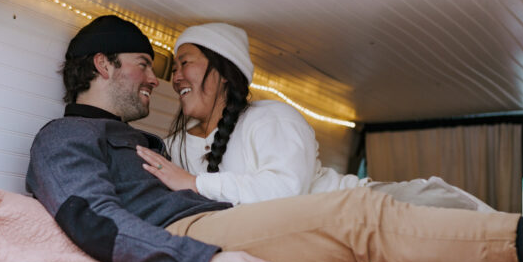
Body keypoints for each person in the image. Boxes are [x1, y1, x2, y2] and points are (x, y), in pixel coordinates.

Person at [26, 15, 523, 262]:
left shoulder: (147, 139)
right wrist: (199, 261)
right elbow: (92, 219)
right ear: (102, 65)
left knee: (371, 222)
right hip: (199, 232)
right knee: (356, 222)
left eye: (166, 64)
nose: (157, 76)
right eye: (143, 63)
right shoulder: (63, 138)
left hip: (211, 223)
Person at [141, 22, 488, 210]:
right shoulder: (175, 147)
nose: (175, 77)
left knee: (482, 229)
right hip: (319, 233)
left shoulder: (270, 118)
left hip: (368, 206)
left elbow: (282, 192)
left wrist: (195, 183)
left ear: (222, 70)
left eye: (185, 62)